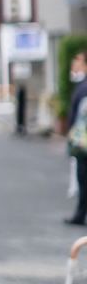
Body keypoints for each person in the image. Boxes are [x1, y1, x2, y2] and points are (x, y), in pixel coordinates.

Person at [64, 51, 87, 226]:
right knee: (82, 178)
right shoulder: (81, 84)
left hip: (83, 141)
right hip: (80, 140)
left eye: (78, 60)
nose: (74, 63)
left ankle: (80, 214)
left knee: (84, 178)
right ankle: (80, 213)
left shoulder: (85, 85)